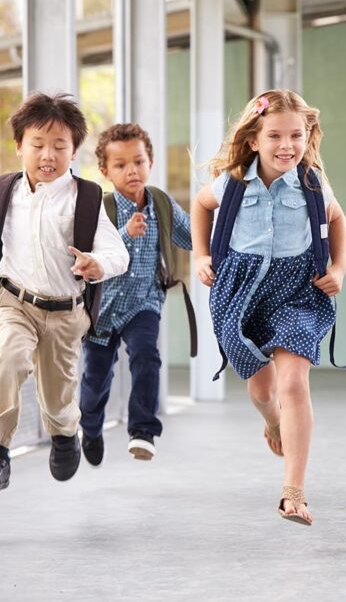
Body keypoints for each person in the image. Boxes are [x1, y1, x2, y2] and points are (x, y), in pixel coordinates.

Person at [0, 92, 129, 493]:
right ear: (19, 147)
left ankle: (65, 434)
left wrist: (96, 263)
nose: (47, 155)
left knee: (56, 397)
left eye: (59, 146)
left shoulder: (85, 198)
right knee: (9, 360)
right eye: (37, 145)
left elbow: (116, 252)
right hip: (14, 300)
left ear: (74, 151)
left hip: (66, 312)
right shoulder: (6, 192)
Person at [191, 90, 346, 526]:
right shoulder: (233, 182)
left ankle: (293, 492)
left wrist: (339, 267)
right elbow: (202, 206)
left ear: (307, 135)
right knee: (263, 391)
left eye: (296, 135)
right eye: (275, 135)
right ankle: (273, 422)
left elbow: (337, 219)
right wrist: (201, 256)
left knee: (294, 383)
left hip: (297, 290)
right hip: (241, 292)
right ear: (253, 140)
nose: (287, 146)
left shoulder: (313, 183)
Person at [79, 123, 193, 464]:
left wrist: (217, 253)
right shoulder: (100, 210)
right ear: (105, 171)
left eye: (139, 161)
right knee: (96, 379)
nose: (132, 170)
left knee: (147, 356)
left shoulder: (160, 203)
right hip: (102, 309)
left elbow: (193, 238)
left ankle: (143, 431)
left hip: (144, 302)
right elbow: (96, 258)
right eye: (121, 164)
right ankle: (91, 427)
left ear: (150, 162)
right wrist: (126, 234)